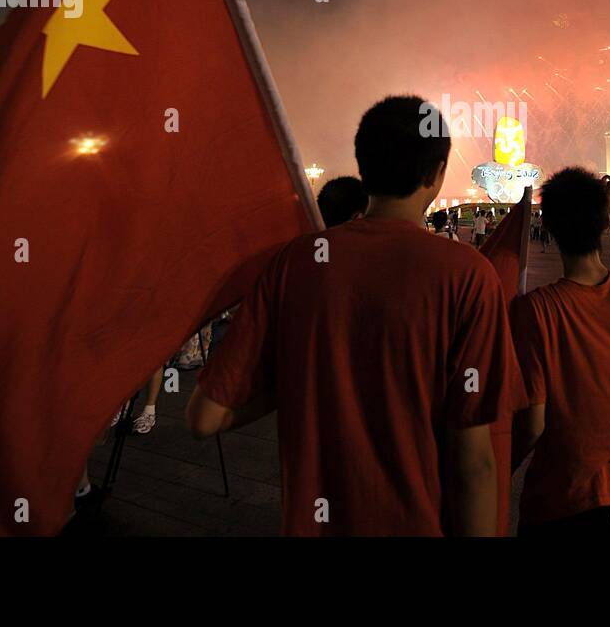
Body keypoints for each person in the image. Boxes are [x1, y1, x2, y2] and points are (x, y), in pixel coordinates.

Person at [186, 95, 524, 535]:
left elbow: (204, 417)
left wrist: (305, 375)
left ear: (362, 166)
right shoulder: (467, 275)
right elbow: (475, 462)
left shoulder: (294, 263)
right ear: (438, 172)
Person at [509, 170, 610, 535]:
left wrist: (499, 468)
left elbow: (532, 425)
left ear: (548, 228)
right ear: (603, 226)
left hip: (565, 498)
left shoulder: (536, 310)